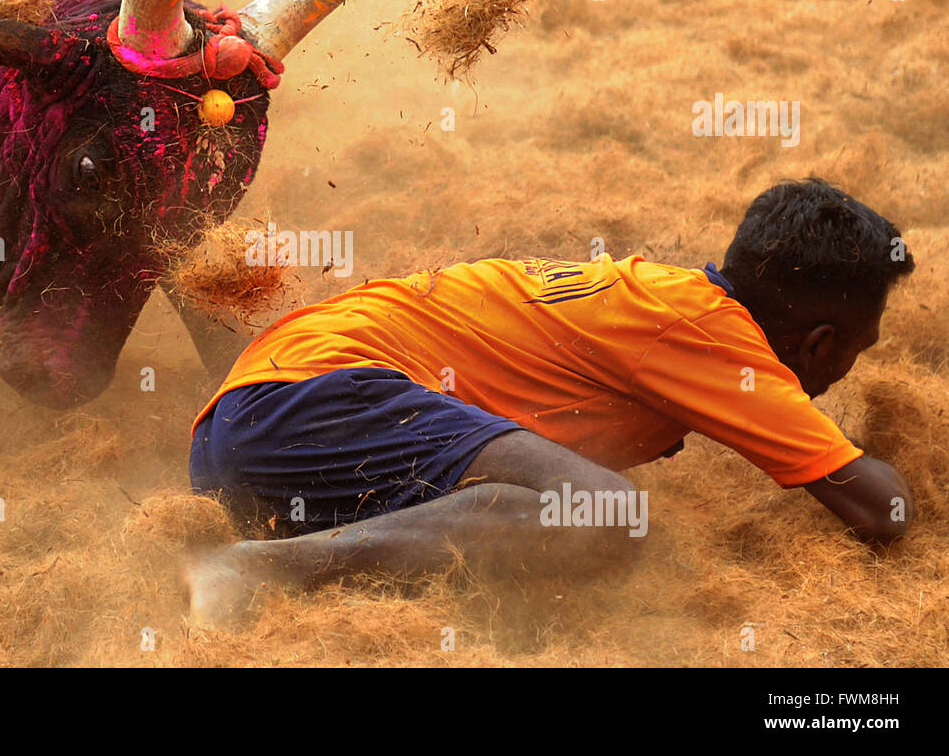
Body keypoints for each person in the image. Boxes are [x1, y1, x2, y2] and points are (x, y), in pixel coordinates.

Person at [183, 179, 916, 625]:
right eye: (862, 346)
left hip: (239, 441)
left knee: (541, 506)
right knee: (604, 511)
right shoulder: (712, 333)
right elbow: (878, 509)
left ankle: (277, 557)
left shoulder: (663, 296)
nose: (850, 369)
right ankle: (255, 571)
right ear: (820, 343)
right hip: (312, 401)